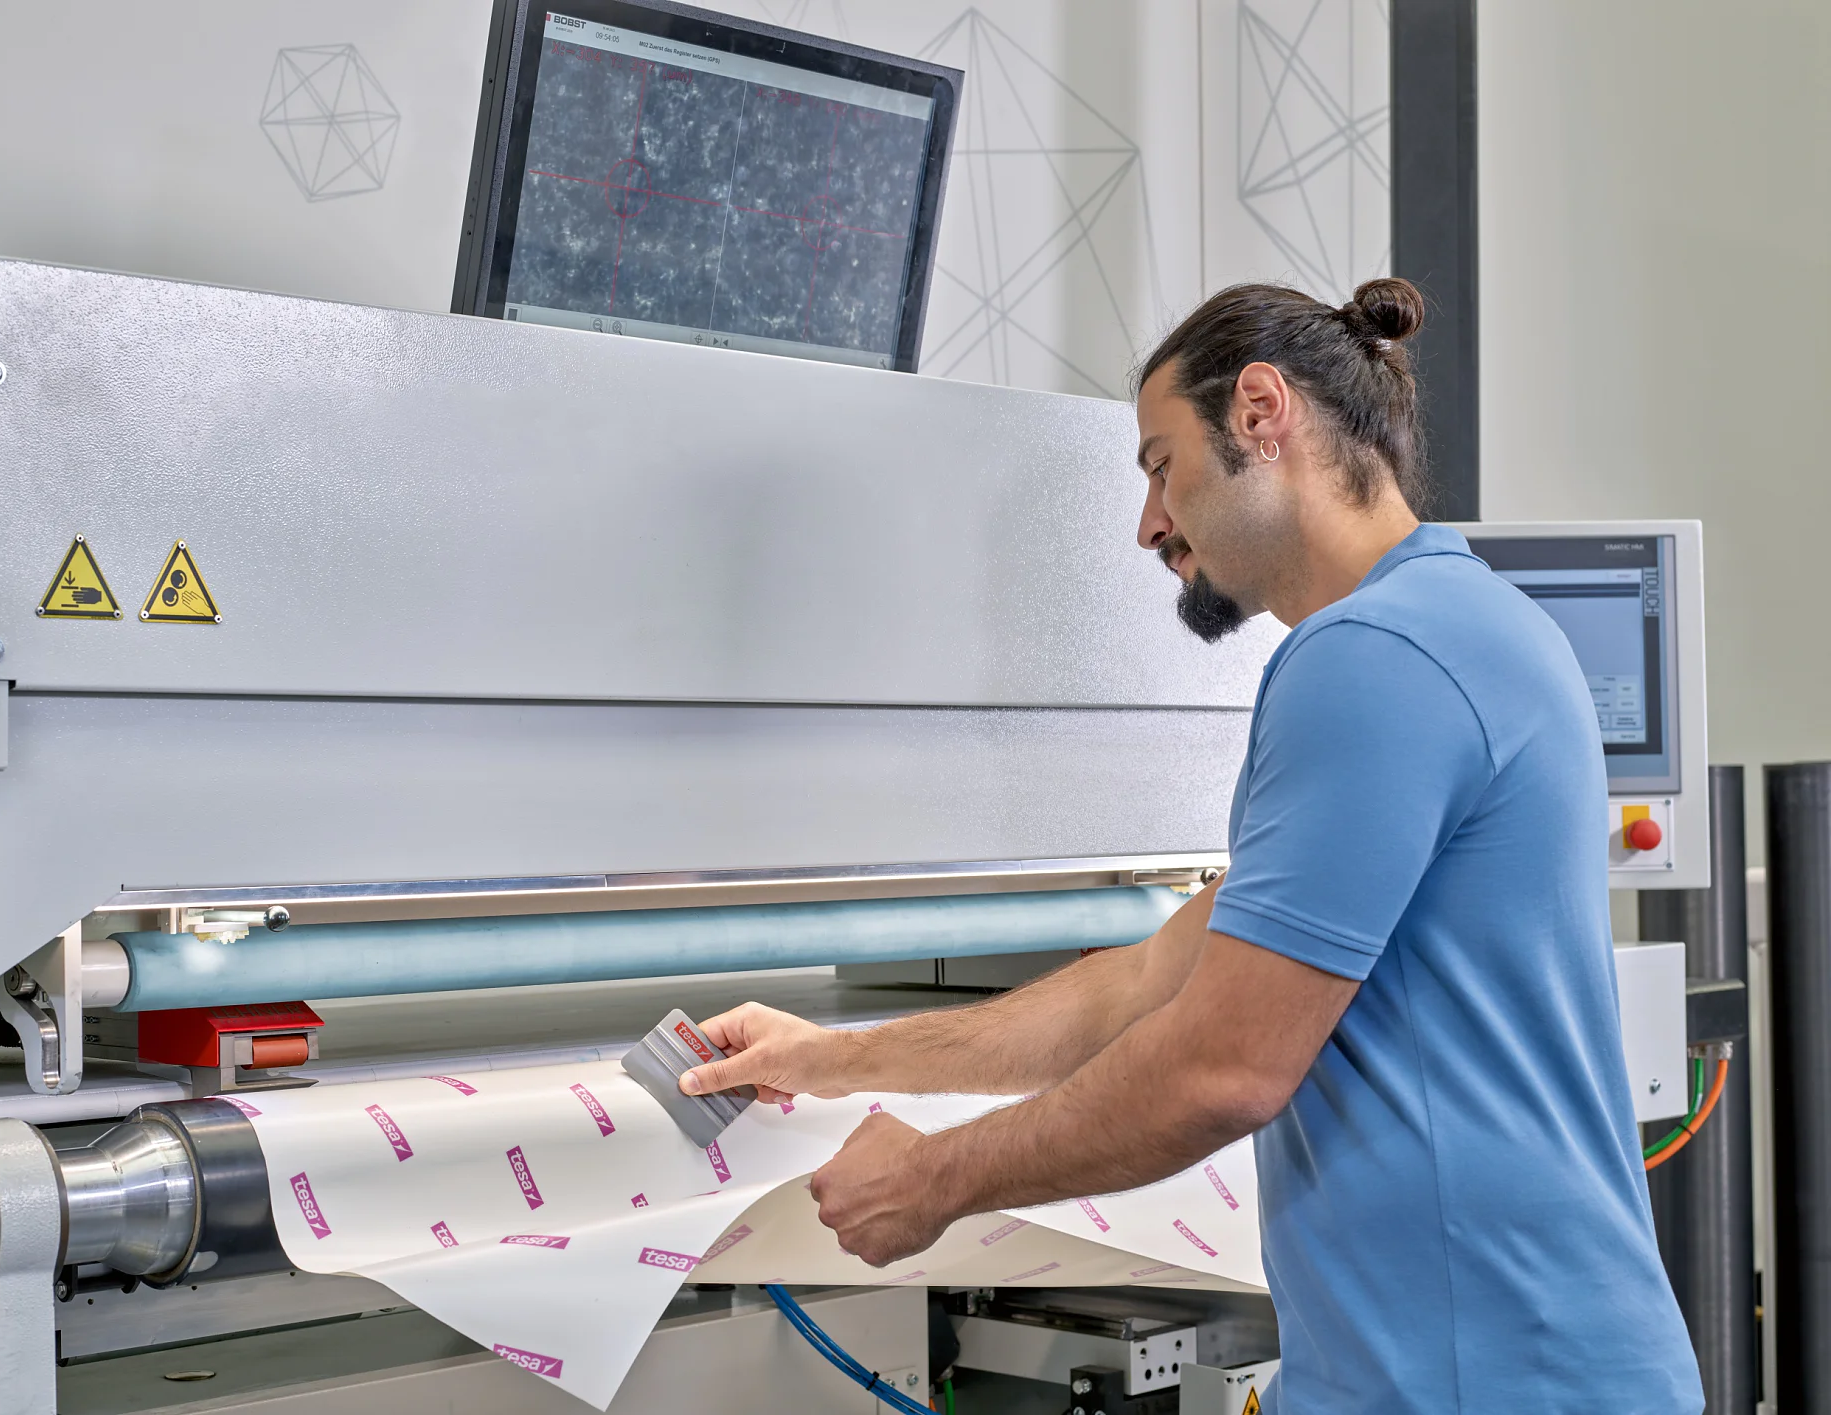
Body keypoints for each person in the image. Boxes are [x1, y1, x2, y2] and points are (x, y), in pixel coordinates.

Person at [678, 278, 1702, 1412]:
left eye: (1162, 466)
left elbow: (1223, 1068)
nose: (1150, 523)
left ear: (1261, 413)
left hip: (1489, 1381)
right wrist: (829, 1058)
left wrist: (933, 1179)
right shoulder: (1467, 624)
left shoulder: (1374, 658)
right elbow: (1144, 984)